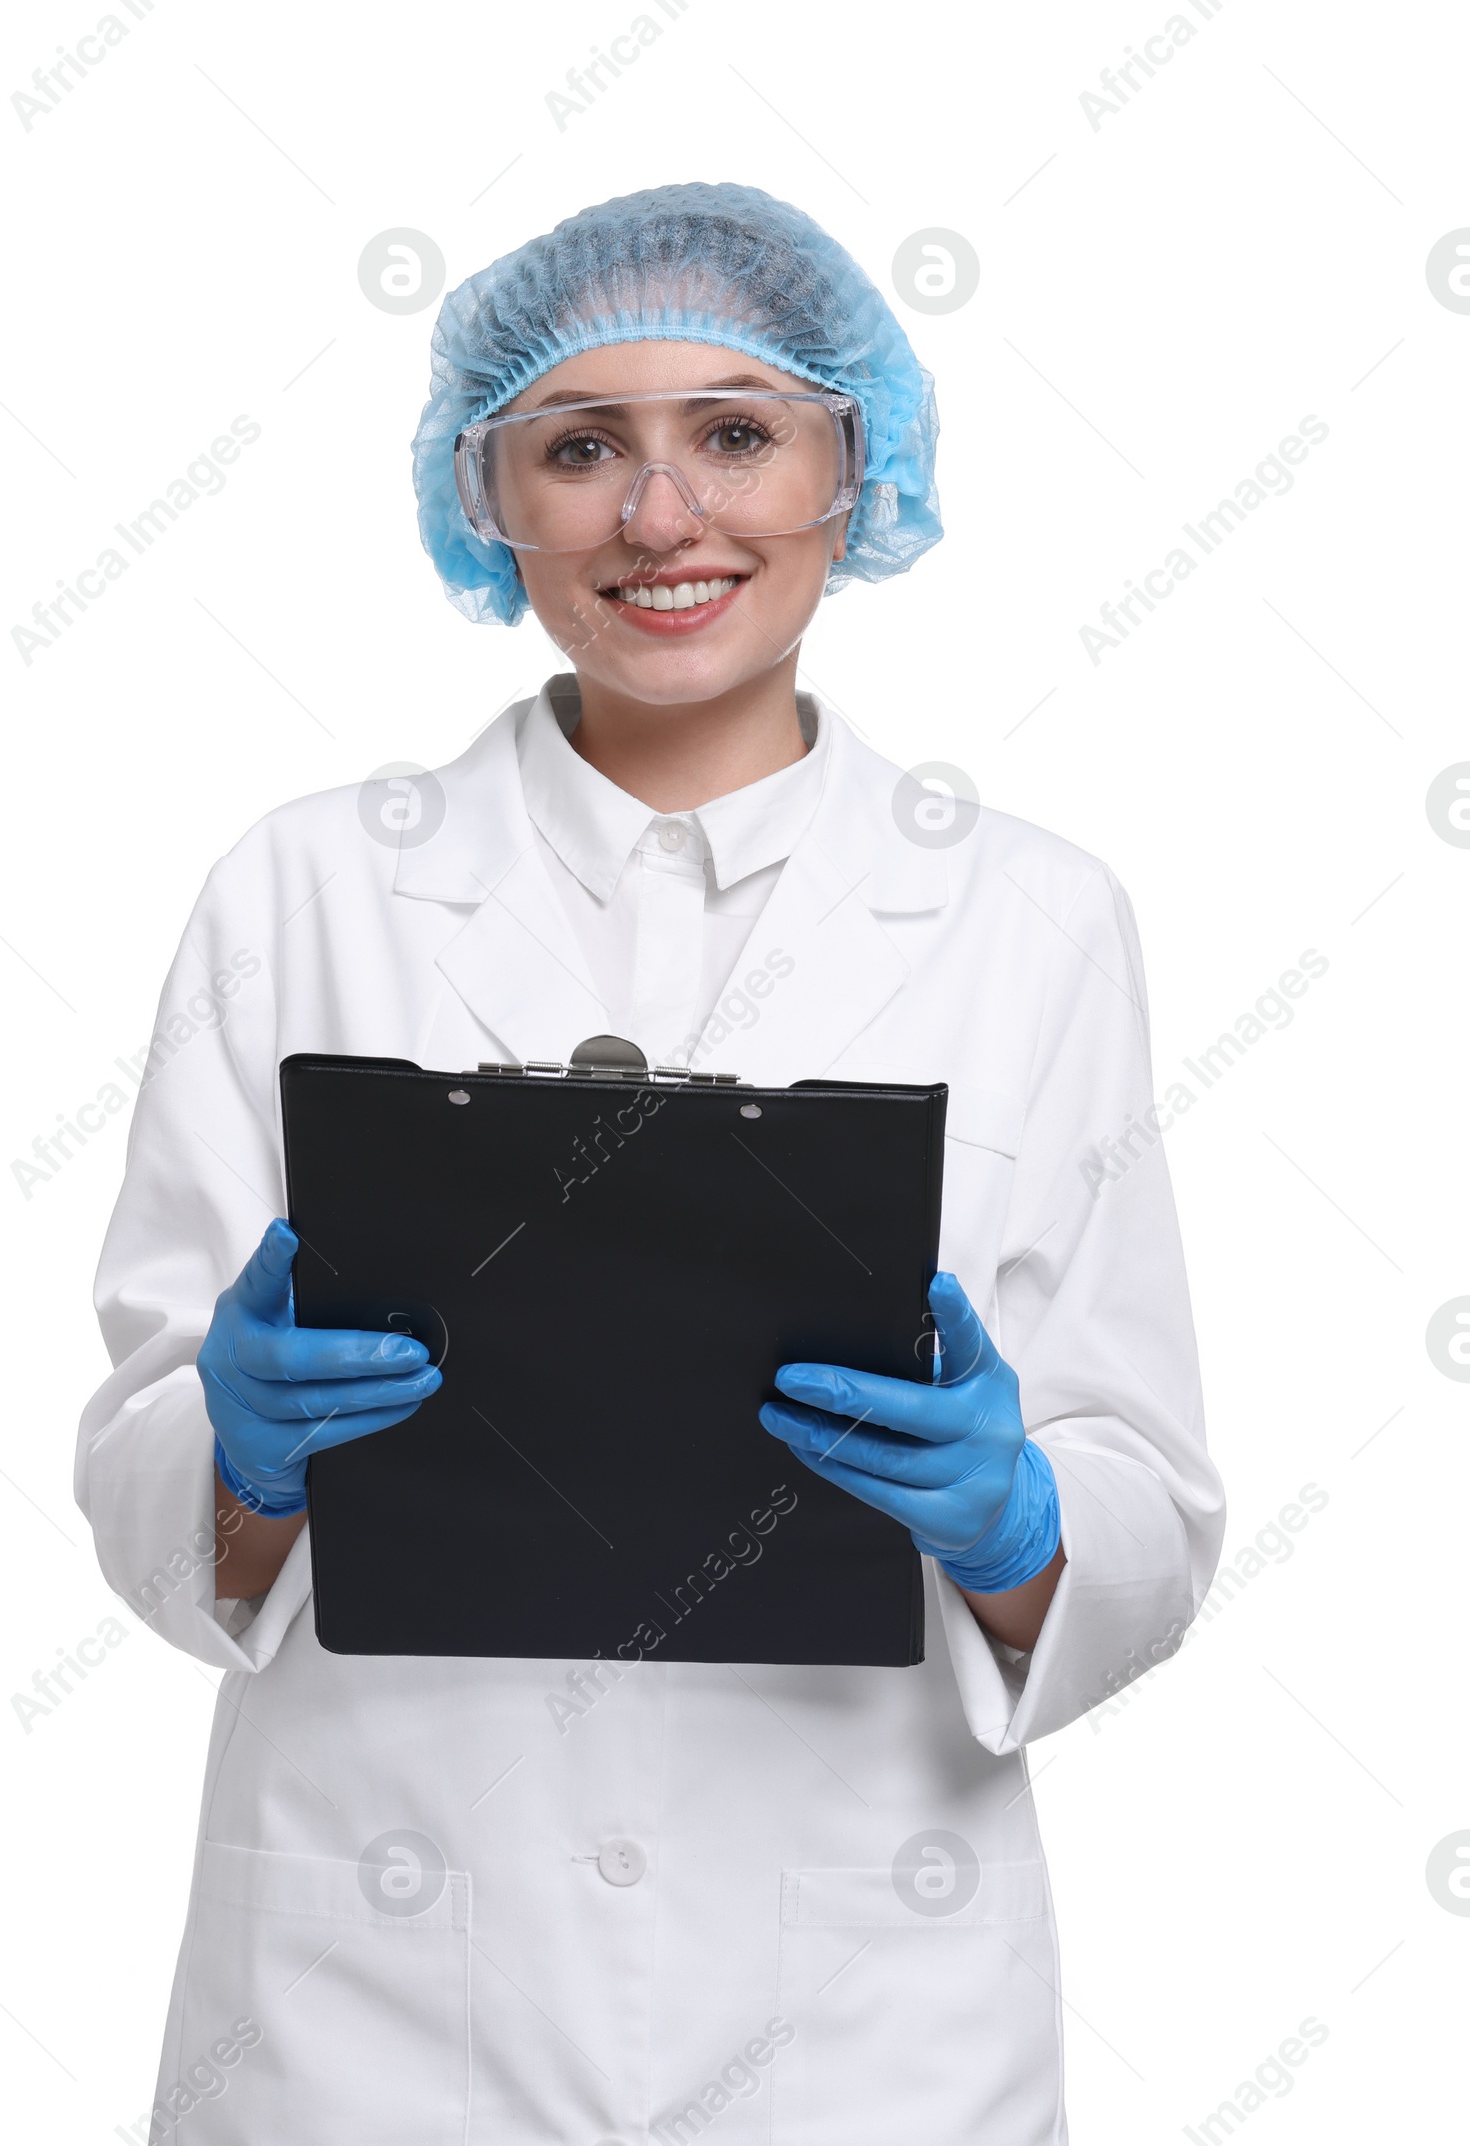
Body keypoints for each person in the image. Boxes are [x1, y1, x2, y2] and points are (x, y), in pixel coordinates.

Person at [78, 182, 1224, 2146]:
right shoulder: (306, 885)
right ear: (486, 493)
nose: (659, 515)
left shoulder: (1030, 918)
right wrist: (232, 1447)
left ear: (850, 470)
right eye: (582, 445)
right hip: (374, 1994)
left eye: (733, 432)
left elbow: (1147, 1495)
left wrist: (1012, 1515)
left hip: (864, 2009)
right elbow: (143, 1478)